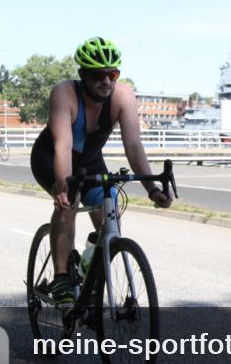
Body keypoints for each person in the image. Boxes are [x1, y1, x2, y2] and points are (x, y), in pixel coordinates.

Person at [29, 37, 173, 304]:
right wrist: (63, 188)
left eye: (113, 74)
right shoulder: (64, 93)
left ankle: (91, 262)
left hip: (90, 160)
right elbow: (63, 145)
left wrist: (152, 188)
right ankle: (61, 278)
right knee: (68, 204)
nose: (106, 81)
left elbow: (133, 144)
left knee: (111, 213)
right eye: (98, 75)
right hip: (51, 158)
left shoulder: (123, 95)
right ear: (83, 75)